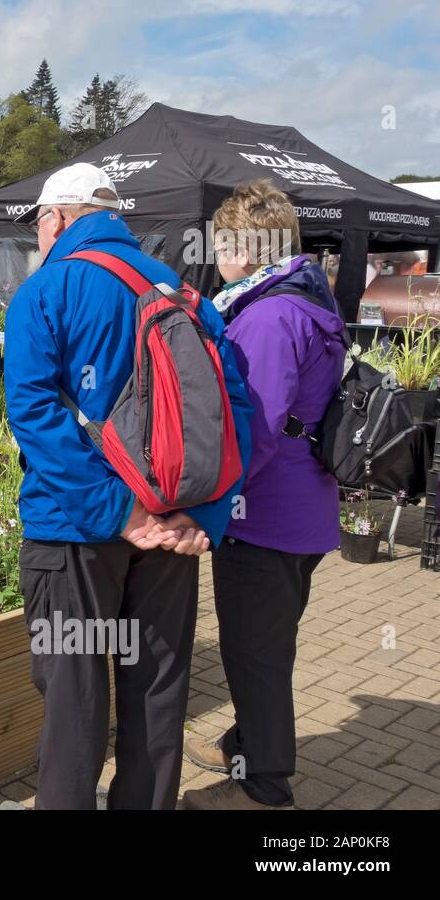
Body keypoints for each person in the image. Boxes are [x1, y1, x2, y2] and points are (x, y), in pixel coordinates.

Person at [3, 162, 252, 810]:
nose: (38, 235)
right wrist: (209, 512)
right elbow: (236, 408)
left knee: (73, 699)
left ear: (56, 218)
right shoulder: (181, 290)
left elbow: (34, 412)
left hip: (75, 530)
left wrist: (118, 510)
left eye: (38, 224)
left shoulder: (47, 290)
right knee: (158, 691)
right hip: (171, 528)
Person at [182, 181, 346, 810]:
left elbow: (254, 430)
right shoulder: (305, 299)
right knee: (266, 643)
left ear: (247, 249)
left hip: (267, 517)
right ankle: (239, 742)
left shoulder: (271, 316)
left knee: (255, 655)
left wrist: (205, 502)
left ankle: (264, 788)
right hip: (300, 513)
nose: (216, 252)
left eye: (222, 242)